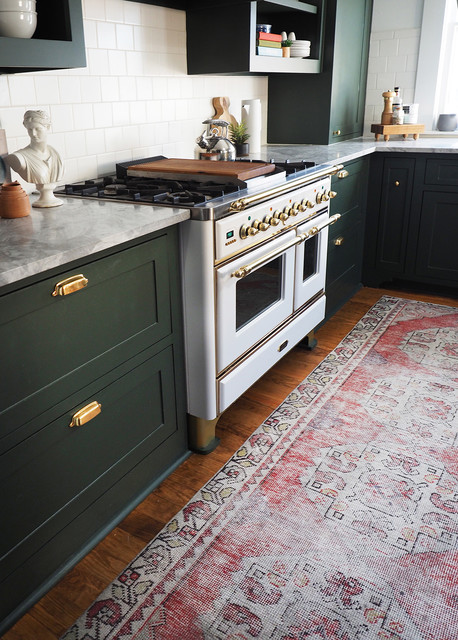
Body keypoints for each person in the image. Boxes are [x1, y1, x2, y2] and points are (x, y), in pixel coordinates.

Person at [7, 110, 64, 207]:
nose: (33, 134)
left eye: (38, 129)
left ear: (48, 127)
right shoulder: (19, 158)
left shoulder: (55, 154)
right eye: (30, 129)